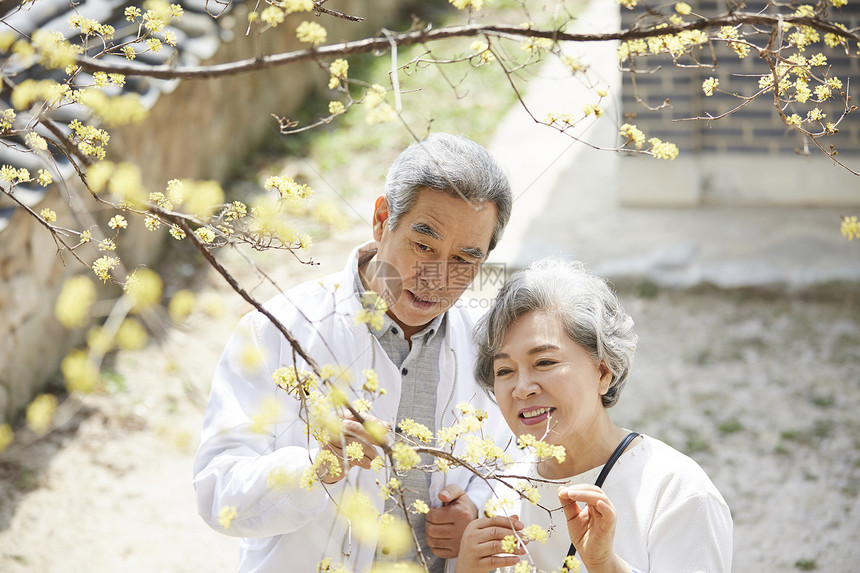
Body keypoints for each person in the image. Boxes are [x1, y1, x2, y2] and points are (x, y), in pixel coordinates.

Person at [193, 133, 516, 573]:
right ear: (382, 219)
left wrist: (477, 509)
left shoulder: (493, 348)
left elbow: (522, 462)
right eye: (423, 246)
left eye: (463, 260)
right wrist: (313, 468)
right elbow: (216, 493)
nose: (437, 277)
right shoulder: (278, 330)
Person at [456, 258, 733, 573]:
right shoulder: (504, 494)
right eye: (504, 370)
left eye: (544, 362)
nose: (521, 388)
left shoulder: (675, 490)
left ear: (603, 371)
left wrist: (605, 565)